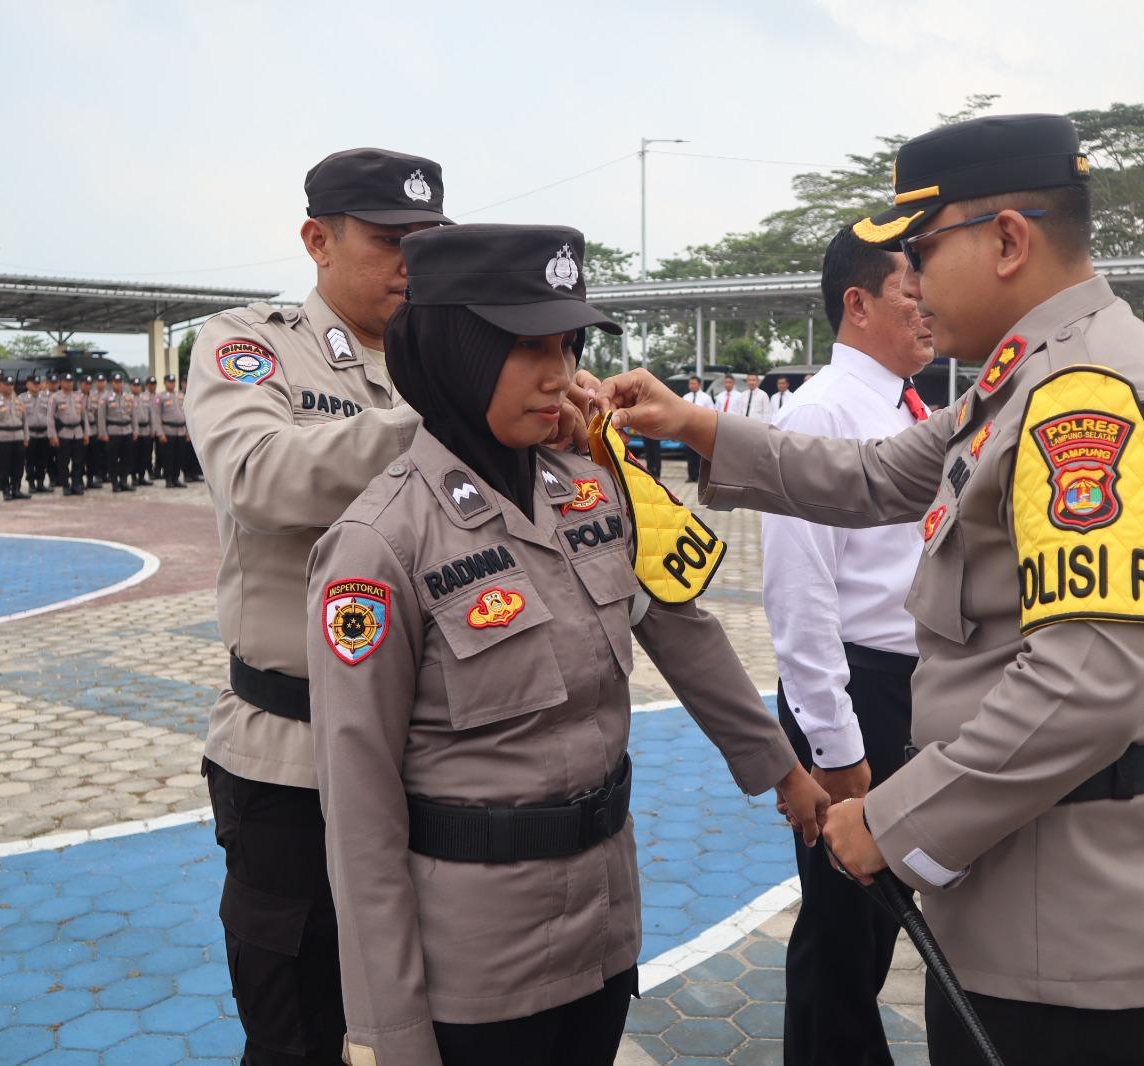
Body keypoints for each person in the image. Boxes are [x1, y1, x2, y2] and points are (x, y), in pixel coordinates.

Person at [599, 113, 1144, 1066]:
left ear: (1009, 240)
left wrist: (890, 824)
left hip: (1070, 916)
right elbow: (873, 476)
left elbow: (1085, 683)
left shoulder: (1086, 400)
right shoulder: (1023, 380)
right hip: (1033, 883)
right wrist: (692, 425)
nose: (920, 286)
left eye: (926, 252)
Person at [306, 222, 827, 1066]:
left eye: (567, 343)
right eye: (526, 347)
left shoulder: (591, 491)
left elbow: (680, 627)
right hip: (480, 964)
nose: (561, 373)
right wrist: (386, 1030)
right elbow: (359, 814)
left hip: (604, 925)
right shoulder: (378, 547)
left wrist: (784, 770)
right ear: (455, 351)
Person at [187, 147, 533, 1066]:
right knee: (301, 1022)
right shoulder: (250, 345)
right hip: (293, 761)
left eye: (429, 243)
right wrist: (445, 411)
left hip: (435, 758)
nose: (412, 266)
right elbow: (257, 477)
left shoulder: (461, 350)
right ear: (318, 241)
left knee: (434, 1014)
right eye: (389, 243)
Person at [764, 225, 935, 1066]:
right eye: (912, 292)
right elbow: (799, 596)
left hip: (912, 690)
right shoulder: (822, 411)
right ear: (858, 303)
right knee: (841, 929)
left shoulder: (914, 407)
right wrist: (834, 745)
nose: (928, 309)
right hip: (856, 692)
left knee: (878, 918)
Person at [0, 377, 30, 501]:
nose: (9, 387)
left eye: (11, 385)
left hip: (18, 437)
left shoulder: (19, 402)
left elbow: (25, 421)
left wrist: (26, 438)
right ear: (0, 386)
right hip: (3, 438)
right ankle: (6, 490)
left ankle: (16, 489)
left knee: (19, 465)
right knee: (4, 466)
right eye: (6, 385)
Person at [49, 372, 89, 496]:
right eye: (66, 381)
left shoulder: (78, 397)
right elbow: (50, 418)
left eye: (71, 381)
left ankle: (76, 484)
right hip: (63, 433)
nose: (69, 384)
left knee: (78, 461)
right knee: (63, 462)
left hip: (77, 433)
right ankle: (65, 485)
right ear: (61, 383)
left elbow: (84, 416)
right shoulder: (55, 397)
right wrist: (52, 435)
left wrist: (86, 433)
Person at [99, 373, 135, 492]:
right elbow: (101, 417)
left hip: (127, 431)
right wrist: (103, 433)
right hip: (113, 432)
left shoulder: (128, 397)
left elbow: (133, 415)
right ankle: (115, 483)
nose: (118, 384)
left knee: (127, 458)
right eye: (116, 382)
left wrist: (135, 430)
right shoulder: (105, 398)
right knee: (113, 459)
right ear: (111, 383)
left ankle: (124, 481)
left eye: (120, 382)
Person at [156, 374, 188, 487]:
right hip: (168, 431)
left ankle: (176, 478)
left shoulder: (180, 395)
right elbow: (157, 416)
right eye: (169, 382)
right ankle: (168, 479)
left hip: (181, 430)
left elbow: (186, 414)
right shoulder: (160, 397)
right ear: (165, 383)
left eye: (173, 382)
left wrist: (187, 432)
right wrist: (160, 433)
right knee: (168, 457)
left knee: (179, 457)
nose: (172, 384)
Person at [681, 376, 714, 482]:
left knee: (699, 454)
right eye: (690, 383)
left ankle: (700, 477)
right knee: (689, 453)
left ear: (699, 385)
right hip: (689, 429)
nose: (691, 385)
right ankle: (691, 476)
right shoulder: (685, 397)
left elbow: (711, 413)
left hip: (701, 429)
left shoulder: (706, 398)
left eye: (694, 383)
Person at [24, 375, 53, 493]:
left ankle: (40, 482)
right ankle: (31, 484)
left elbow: (51, 417)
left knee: (42, 460)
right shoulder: (22, 399)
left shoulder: (47, 398)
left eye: (38, 383)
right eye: (34, 384)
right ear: (27, 385)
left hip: (44, 434)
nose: (36, 386)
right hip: (30, 434)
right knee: (30, 460)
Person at [130, 377, 160, 486]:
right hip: (135, 432)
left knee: (145, 455)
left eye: (138, 386)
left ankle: (142, 477)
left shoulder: (145, 398)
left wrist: (153, 429)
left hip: (146, 430)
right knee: (134, 455)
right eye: (134, 385)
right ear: (130, 386)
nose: (136, 388)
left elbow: (151, 415)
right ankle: (134, 477)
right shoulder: (128, 399)